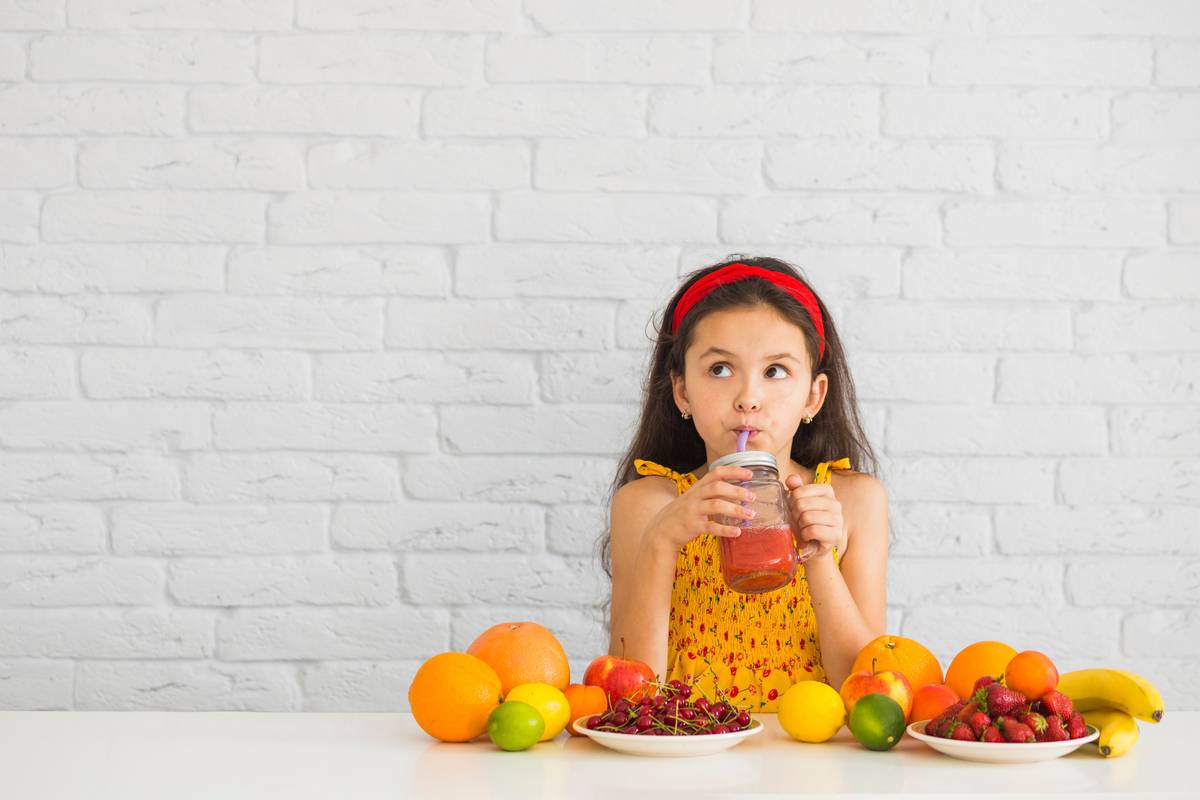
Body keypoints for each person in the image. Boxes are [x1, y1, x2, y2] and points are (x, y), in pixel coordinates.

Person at [599, 257, 888, 712]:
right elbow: (632, 702)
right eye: (719, 369)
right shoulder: (647, 503)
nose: (748, 399)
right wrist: (661, 540)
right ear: (682, 393)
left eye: (775, 371)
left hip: (813, 762)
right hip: (689, 754)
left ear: (813, 396)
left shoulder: (854, 501)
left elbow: (869, 693)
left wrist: (818, 558)